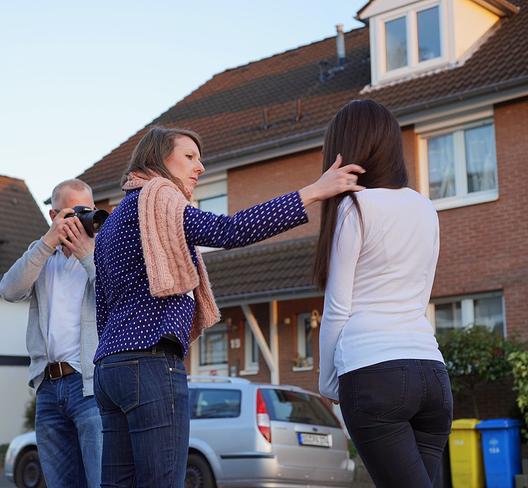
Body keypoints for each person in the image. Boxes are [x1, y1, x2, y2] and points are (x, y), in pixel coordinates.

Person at [93, 125, 364, 487]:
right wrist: (314, 191)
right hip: (150, 363)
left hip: (109, 366)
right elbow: (230, 230)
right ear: (157, 160)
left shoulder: (112, 222)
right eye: (189, 156)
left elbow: (102, 306)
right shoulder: (160, 195)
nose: (200, 167)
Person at [314, 99, 452, 488]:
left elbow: (338, 307)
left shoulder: (354, 206)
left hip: (373, 373)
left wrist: (327, 379)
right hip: (432, 375)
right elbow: (421, 295)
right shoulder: (426, 207)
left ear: (344, 148)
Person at [0, 179, 103, 488]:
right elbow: (9, 289)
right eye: (74, 212)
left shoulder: (104, 252)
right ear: (54, 215)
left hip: (90, 386)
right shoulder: (42, 255)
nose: (83, 219)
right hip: (48, 387)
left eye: (89, 210)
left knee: (100, 481)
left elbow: (117, 295)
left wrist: (87, 254)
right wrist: (46, 243)